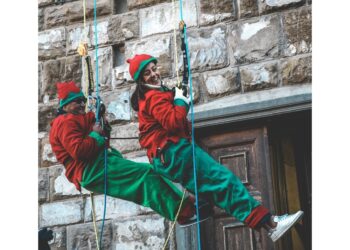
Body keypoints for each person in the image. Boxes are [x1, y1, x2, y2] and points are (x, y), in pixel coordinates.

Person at [128, 54, 304, 242]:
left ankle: (194, 212)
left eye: (154, 68)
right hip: (175, 153)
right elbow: (174, 122)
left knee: (212, 188)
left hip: (168, 157)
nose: (154, 74)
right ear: (140, 80)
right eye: (147, 73)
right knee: (223, 180)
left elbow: (170, 119)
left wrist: (177, 97)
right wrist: (180, 101)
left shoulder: (153, 95)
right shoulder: (153, 97)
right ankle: (272, 224)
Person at [49, 81, 210, 226]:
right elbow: (79, 150)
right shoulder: (64, 122)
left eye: (82, 101)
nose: (82, 104)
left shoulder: (74, 120)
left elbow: (101, 141)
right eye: (77, 101)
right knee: (145, 177)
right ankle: (184, 211)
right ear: (65, 105)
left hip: (96, 166)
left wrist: (101, 120)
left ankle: (185, 207)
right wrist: (96, 134)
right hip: (92, 169)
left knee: (148, 175)